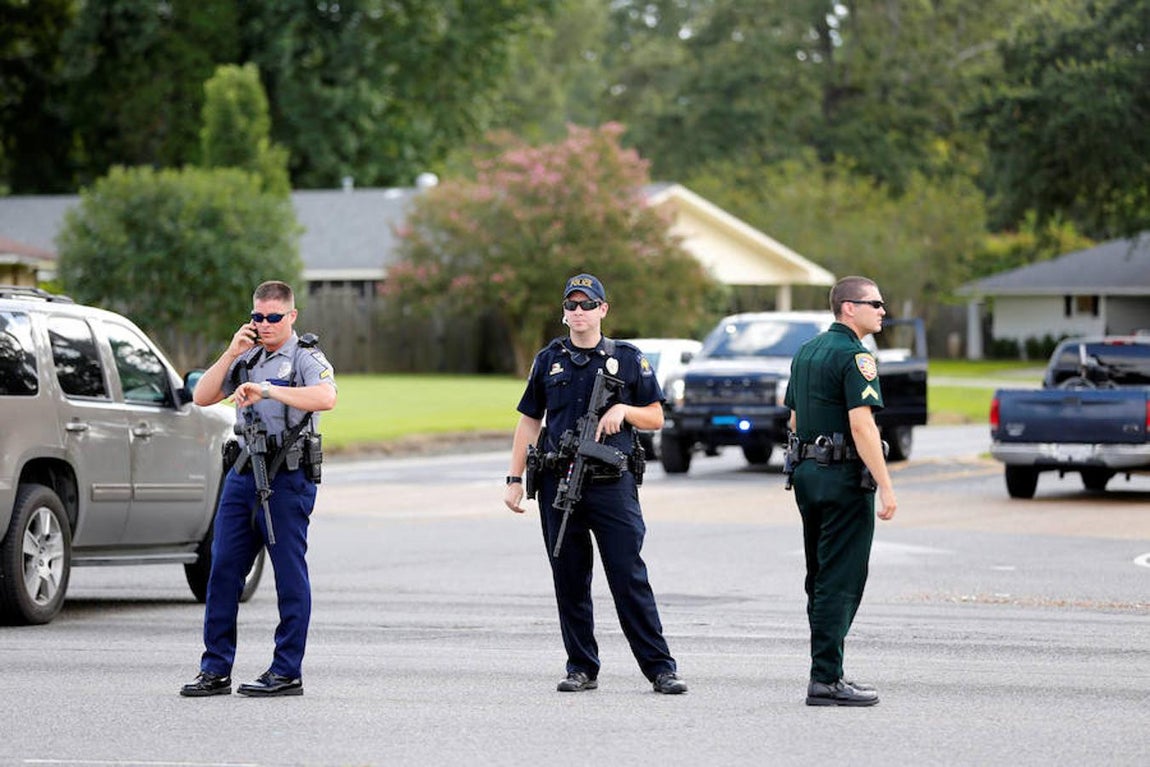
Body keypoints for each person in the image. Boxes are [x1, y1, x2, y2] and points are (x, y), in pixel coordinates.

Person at [503, 273, 688, 695]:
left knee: (628, 576)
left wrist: (624, 409)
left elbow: (657, 416)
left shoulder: (627, 358)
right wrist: (515, 479)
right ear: (564, 312)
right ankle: (581, 667)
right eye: (572, 305)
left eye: (588, 305)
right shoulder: (549, 359)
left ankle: (660, 668)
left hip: (611, 483)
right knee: (569, 577)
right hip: (558, 481)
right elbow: (530, 420)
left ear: (603, 309)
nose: (579, 312)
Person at [180, 280, 337, 698]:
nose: (264, 325)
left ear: (291, 316)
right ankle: (215, 670)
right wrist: (232, 352)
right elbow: (202, 395)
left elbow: (326, 397)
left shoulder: (305, 357)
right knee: (223, 570)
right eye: (257, 317)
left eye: (272, 317)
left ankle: (287, 671)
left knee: (288, 574)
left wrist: (267, 390)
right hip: (244, 473)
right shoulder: (246, 357)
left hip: (288, 476)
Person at [783, 275, 898, 707]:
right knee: (841, 578)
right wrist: (886, 486)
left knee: (819, 575)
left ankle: (827, 669)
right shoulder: (856, 356)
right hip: (844, 478)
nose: (882, 310)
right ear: (848, 308)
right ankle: (826, 677)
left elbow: (794, 419)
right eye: (876, 303)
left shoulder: (806, 352)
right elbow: (861, 424)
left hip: (808, 474)